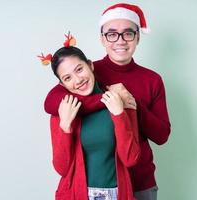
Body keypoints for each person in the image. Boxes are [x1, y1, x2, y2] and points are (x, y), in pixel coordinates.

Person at [44, 3, 171, 200]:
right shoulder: (86, 72)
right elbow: (52, 103)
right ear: (102, 39)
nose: (120, 40)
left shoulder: (152, 80)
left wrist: (130, 104)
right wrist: (106, 100)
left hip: (140, 181)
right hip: (89, 185)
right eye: (111, 34)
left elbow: (162, 135)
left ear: (137, 37)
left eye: (128, 33)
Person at [43, 40, 140, 200]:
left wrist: (119, 115)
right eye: (68, 78)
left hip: (118, 194)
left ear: (90, 65)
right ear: (62, 84)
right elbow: (62, 168)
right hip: (76, 194)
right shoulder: (63, 111)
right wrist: (65, 127)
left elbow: (130, 159)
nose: (78, 80)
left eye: (79, 69)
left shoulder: (120, 100)